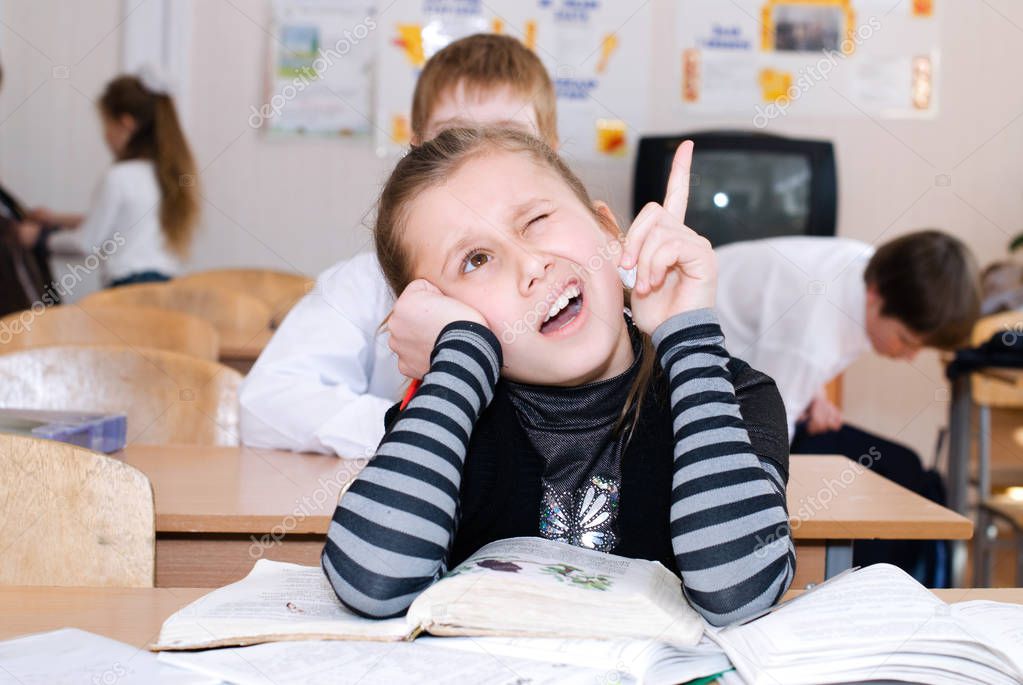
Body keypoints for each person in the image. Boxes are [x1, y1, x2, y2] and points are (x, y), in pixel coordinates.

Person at [321, 127, 795, 626]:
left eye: (537, 220)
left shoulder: (731, 394)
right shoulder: (447, 415)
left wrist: (689, 336)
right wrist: (459, 357)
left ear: (608, 231)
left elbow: (739, 589)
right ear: (434, 314)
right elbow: (372, 583)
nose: (531, 264)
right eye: (475, 260)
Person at [240, 33, 559, 456]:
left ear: (552, 157)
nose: (482, 161)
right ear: (416, 154)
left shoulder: (575, 278)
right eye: (454, 138)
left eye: (512, 138)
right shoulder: (366, 282)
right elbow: (267, 404)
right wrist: (422, 431)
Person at [714, 231, 981, 582]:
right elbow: (768, 436)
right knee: (888, 472)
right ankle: (854, 589)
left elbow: (778, 343)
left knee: (903, 466)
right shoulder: (811, 336)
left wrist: (813, 392)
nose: (911, 356)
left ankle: (880, 586)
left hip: (749, 375)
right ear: (875, 296)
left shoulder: (870, 266)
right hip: (708, 403)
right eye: (906, 340)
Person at [27, 68, 200, 287]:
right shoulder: (166, 174)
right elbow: (121, 221)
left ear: (126, 124)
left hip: (128, 288)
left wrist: (41, 240)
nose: (105, 135)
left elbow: (86, 243)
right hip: (166, 286)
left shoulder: (118, 177)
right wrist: (56, 219)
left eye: (106, 124)